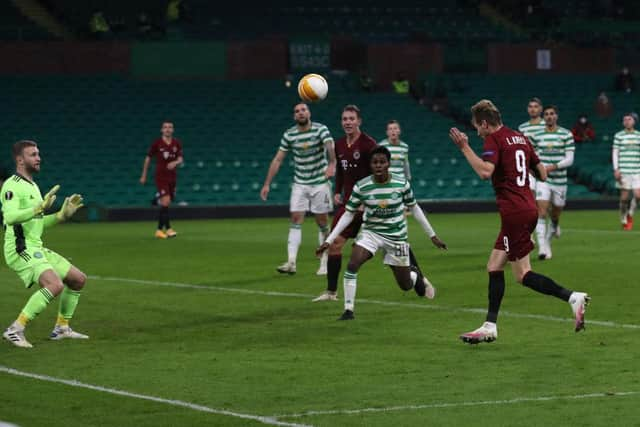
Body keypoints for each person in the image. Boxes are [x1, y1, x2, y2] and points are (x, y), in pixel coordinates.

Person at [449, 100, 589, 344]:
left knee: (523, 274)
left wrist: (464, 147)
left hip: (514, 213)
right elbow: (542, 173)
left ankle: (572, 297)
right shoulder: (521, 138)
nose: (476, 132)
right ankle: (489, 325)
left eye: (476, 127)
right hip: (528, 208)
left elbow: (484, 172)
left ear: (484, 123)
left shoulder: (494, 139)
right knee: (494, 266)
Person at [312, 105, 436, 302]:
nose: (348, 122)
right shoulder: (339, 144)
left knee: (395, 243)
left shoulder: (368, 144)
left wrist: (371, 199)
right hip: (350, 204)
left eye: (352, 119)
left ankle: (420, 277)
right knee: (335, 244)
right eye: (344, 119)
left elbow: (378, 173)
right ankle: (331, 292)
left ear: (359, 121)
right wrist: (337, 191)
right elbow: (342, 173)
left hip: (372, 205)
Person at [316, 146, 447, 320]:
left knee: (405, 285)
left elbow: (415, 209)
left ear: (388, 164)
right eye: (375, 162)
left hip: (396, 237)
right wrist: (329, 240)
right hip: (371, 233)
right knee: (353, 264)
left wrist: (432, 235)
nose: (378, 165)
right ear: (370, 165)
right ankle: (348, 310)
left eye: (382, 162)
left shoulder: (401, 184)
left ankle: (414, 275)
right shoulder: (362, 186)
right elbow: (348, 214)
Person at [2, 140, 88, 348]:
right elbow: (10, 217)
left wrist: (60, 216)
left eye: (38, 153)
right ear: (20, 160)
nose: (38, 157)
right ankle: (15, 330)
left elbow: (37, 224)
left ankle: (62, 328)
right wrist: (37, 208)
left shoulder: (32, 185)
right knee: (54, 284)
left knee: (77, 279)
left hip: (35, 246)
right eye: (33, 154)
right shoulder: (12, 185)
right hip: (19, 248)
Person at [260, 103, 336, 275]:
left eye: (303, 110)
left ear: (309, 113)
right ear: (294, 116)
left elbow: (330, 146)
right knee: (295, 219)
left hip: (320, 182)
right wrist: (267, 184)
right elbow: (278, 159)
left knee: (322, 222)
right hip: (300, 182)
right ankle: (291, 262)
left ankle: (325, 261)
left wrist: (332, 163)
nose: (300, 113)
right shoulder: (289, 134)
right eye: (297, 111)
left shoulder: (320, 129)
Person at [528, 105, 575, 260]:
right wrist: (536, 169)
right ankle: (543, 247)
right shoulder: (537, 135)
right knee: (541, 211)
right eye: (546, 114)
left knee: (555, 214)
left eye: (552, 114)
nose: (549, 116)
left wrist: (552, 167)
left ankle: (552, 230)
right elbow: (532, 155)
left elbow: (570, 159)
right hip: (543, 180)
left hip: (560, 181)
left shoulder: (566, 134)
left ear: (556, 116)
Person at [139, 121, 184, 239]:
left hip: (172, 177)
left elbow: (180, 158)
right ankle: (165, 229)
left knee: (167, 203)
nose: (168, 129)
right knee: (166, 201)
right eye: (165, 127)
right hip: (161, 176)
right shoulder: (157, 143)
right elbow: (148, 158)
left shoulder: (177, 143)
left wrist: (175, 162)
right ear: (162, 130)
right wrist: (144, 175)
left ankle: (162, 229)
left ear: (173, 130)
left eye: (170, 127)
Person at [612, 113, 640, 230]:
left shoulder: (639, 135)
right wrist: (616, 169)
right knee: (624, 198)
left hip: (637, 170)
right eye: (625, 120)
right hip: (624, 171)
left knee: (638, 196)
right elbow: (615, 152)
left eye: (629, 119)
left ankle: (630, 214)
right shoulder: (619, 135)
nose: (627, 121)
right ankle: (623, 216)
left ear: (634, 121)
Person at [518, 97, 545, 194]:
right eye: (530, 107)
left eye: (535, 107)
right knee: (530, 195)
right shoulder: (522, 128)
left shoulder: (547, 125)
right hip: (529, 168)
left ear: (541, 109)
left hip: (546, 166)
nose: (533, 109)